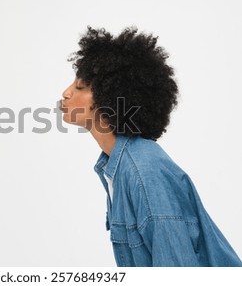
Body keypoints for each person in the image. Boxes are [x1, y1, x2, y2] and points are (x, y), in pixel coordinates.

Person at [60, 26, 242, 267]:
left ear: (108, 98)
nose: (66, 93)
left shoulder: (145, 172)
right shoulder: (116, 165)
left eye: (80, 87)